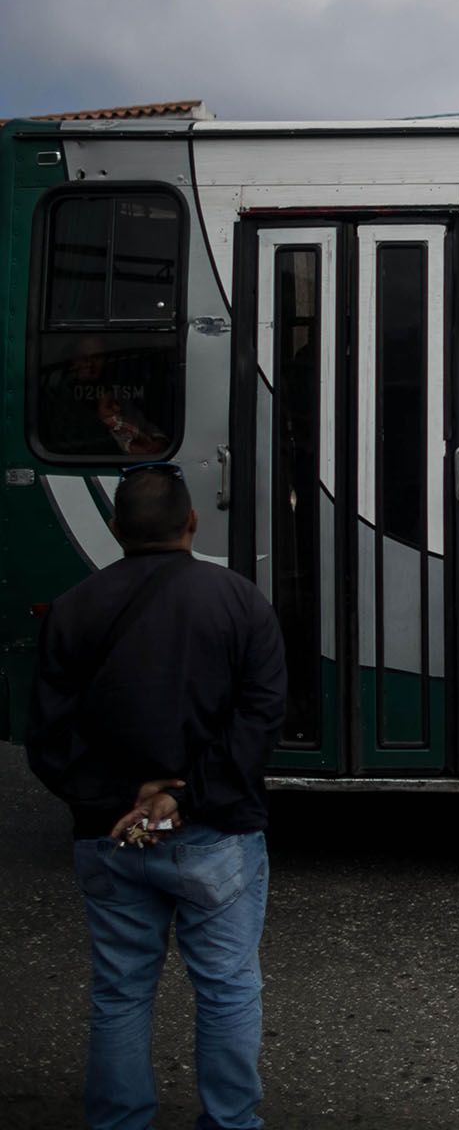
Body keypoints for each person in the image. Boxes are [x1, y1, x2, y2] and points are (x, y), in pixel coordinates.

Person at [27, 464, 289, 1130]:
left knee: (120, 993)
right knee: (227, 988)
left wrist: (125, 798)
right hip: (212, 832)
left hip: (112, 835)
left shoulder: (72, 609)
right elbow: (260, 720)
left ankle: (119, 1122)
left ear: (116, 529)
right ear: (192, 522)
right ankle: (230, 1122)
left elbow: (48, 740)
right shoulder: (239, 602)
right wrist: (183, 800)